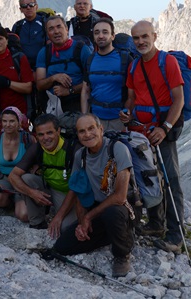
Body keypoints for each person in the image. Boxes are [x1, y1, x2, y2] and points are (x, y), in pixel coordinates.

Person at [120, 20, 185, 251]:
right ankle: (156, 224)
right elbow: (132, 97)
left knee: (170, 180)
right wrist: (127, 112)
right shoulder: (135, 67)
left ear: (154, 36)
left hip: (162, 131)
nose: (140, 42)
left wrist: (165, 127)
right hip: (141, 131)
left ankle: (176, 236)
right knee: (149, 176)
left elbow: (179, 99)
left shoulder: (167, 62)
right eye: (136, 38)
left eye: (145, 36)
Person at [53, 114, 134, 278]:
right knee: (61, 247)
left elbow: (120, 197)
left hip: (122, 208)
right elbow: (79, 189)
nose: (87, 134)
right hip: (96, 208)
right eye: (82, 131)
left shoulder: (117, 149)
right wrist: (82, 222)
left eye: (91, 128)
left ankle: (122, 254)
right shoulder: (80, 156)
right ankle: (112, 234)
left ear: (101, 129)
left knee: (112, 213)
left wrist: (89, 217)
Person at [8, 114, 77, 235]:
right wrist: (32, 193)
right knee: (26, 179)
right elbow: (13, 176)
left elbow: (77, 187)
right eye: (41, 134)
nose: (45, 138)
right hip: (50, 189)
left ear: (58, 131)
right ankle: (37, 223)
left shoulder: (72, 149)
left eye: (49, 133)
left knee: (65, 229)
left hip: (71, 194)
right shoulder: (37, 148)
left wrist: (58, 217)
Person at [0, 107, 35, 221]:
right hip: (4, 178)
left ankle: (19, 200)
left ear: (19, 122)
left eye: (11, 121)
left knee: (24, 215)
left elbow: (35, 165)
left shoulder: (28, 140)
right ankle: (10, 201)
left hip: (23, 181)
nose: (7, 125)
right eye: (4, 121)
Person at [81, 18, 132, 131]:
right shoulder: (90, 60)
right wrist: (85, 117)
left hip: (119, 121)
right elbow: (86, 90)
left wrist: (128, 112)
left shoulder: (125, 58)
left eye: (105, 32)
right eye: (96, 32)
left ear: (113, 36)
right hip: (96, 121)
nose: (100, 36)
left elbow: (133, 90)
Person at [36, 16, 91, 115]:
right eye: (51, 29)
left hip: (78, 104)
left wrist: (69, 90)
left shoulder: (82, 50)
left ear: (66, 29)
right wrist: (54, 78)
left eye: (59, 27)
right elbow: (39, 85)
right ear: (48, 34)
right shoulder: (44, 53)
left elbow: (92, 81)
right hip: (53, 106)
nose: (56, 31)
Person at [11, 0, 47, 70]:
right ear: (21, 9)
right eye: (24, 6)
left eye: (31, 5)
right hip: (23, 67)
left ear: (36, 7)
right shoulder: (17, 26)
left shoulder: (45, 23)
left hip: (43, 66)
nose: (28, 8)